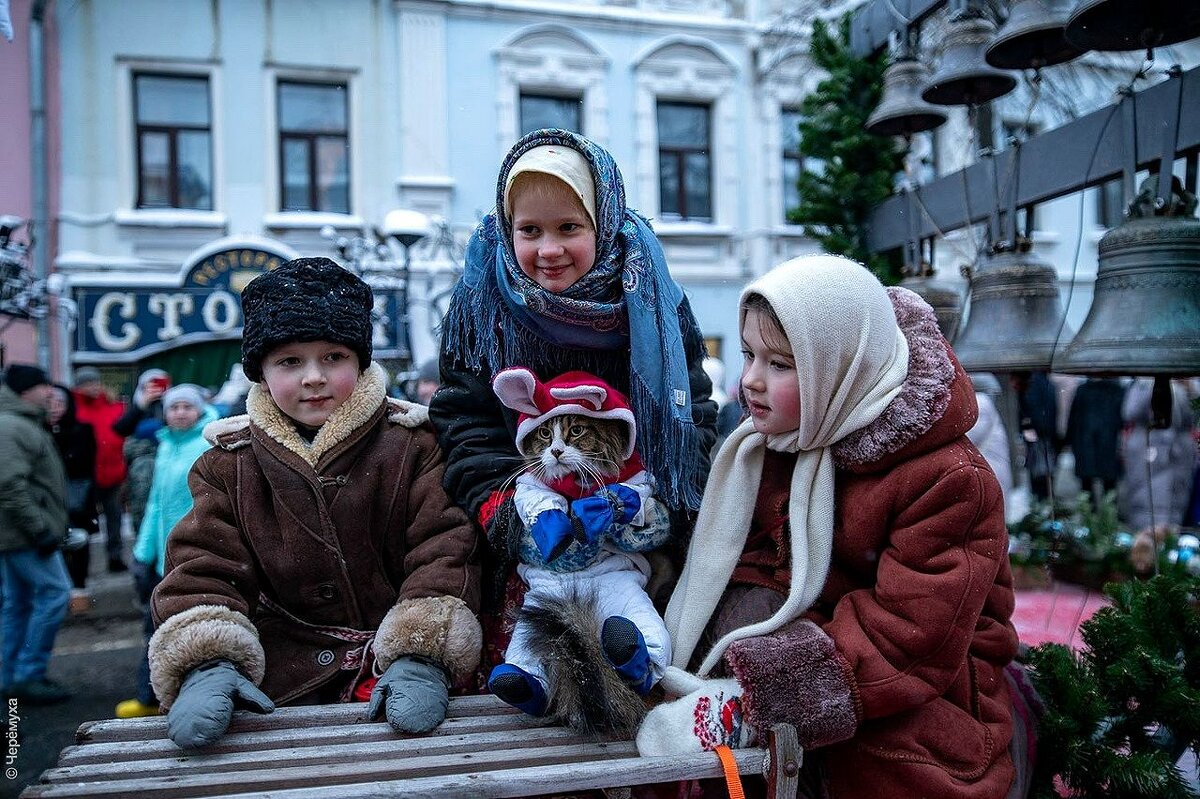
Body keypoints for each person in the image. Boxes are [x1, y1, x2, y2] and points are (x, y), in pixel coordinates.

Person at [634, 256, 1021, 799]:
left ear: (838, 367)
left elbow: (908, 637)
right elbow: (750, 568)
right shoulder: (777, 445)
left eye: (781, 364)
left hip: (915, 704)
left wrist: (754, 703)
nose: (751, 381)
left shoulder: (947, 480)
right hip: (813, 671)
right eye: (748, 356)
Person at [148, 257, 482, 749]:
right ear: (260, 372)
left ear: (360, 362)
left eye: (333, 357)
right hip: (281, 685)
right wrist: (208, 662)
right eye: (289, 361)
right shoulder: (228, 464)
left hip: (393, 675)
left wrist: (420, 650)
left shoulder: (412, 445)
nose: (313, 377)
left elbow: (445, 546)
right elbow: (203, 566)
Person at [428, 128, 718, 678]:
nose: (548, 249)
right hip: (526, 551)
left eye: (569, 227)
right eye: (529, 230)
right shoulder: (481, 305)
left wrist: (652, 511)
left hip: (641, 554)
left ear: (602, 223)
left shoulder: (652, 298)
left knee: (631, 668)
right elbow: (464, 423)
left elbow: (691, 418)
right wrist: (509, 513)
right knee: (534, 683)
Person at [116, 384, 220, 719]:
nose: (179, 413)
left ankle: (184, 696)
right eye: (173, 407)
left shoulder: (207, 446)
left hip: (195, 553)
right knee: (157, 626)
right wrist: (143, 552)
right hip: (162, 558)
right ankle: (150, 696)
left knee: (194, 627)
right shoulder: (164, 447)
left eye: (187, 407)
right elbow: (156, 507)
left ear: (200, 410)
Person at [0, 365, 73, 704]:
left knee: (17, 604)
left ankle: (10, 675)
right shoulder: (12, 425)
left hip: (15, 535)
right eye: (43, 385)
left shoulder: (18, 421)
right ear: (26, 390)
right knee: (55, 594)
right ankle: (28, 674)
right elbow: (9, 486)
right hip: (25, 535)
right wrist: (41, 529)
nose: (50, 392)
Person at [46, 384, 99, 615]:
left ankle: (78, 594)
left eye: (60, 404)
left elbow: (82, 463)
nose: (55, 409)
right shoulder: (38, 432)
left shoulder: (82, 430)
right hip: (49, 502)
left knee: (79, 545)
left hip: (77, 500)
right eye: (50, 404)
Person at [1119, 377, 1197, 533]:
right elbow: (1130, 411)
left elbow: (1191, 417)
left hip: (1177, 455)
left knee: (1174, 505)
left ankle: (1167, 545)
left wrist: (1188, 389)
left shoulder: (1186, 389)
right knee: (1145, 500)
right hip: (1147, 450)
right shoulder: (1142, 385)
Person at [71, 366, 129, 572]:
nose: (93, 387)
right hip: (86, 476)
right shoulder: (74, 408)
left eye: (95, 382)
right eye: (87, 383)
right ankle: (80, 565)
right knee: (83, 520)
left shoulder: (113, 405)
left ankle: (115, 557)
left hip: (113, 472)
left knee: (115, 518)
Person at [1065, 377, 1126, 506]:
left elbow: (1073, 420)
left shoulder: (1083, 390)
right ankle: (1108, 519)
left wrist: (1068, 441)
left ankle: (1091, 519)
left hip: (1087, 444)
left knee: (1088, 490)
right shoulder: (1116, 390)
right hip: (1108, 445)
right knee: (1109, 490)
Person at [967, 373, 1015, 520]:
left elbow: (971, 436)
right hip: (990, 468)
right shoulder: (983, 403)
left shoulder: (982, 403)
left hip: (991, 468)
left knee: (992, 515)